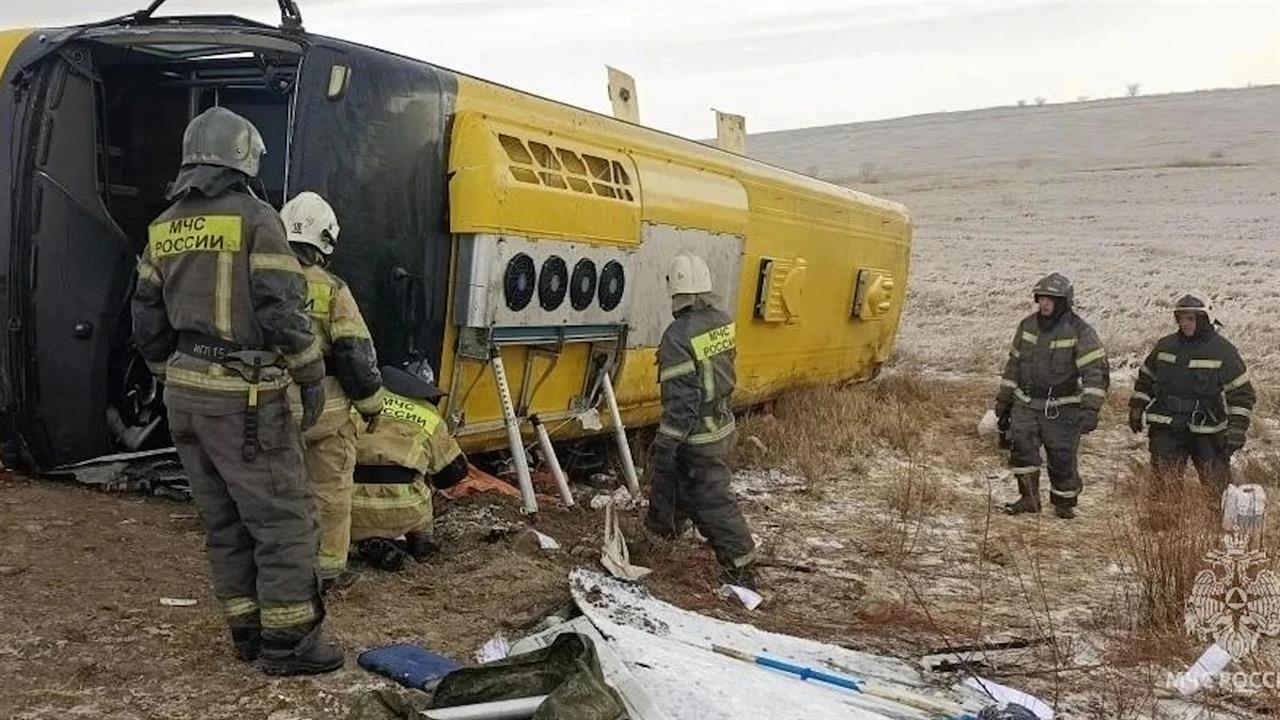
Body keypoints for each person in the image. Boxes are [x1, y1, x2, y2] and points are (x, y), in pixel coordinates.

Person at [131, 107, 341, 675]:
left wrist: (165, 372)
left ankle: (248, 635)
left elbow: (145, 315)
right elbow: (280, 304)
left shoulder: (164, 225)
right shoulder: (255, 217)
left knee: (224, 524)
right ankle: (291, 645)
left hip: (185, 394)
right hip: (244, 401)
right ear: (244, 156)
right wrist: (310, 373)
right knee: (283, 521)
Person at [279, 192, 384, 592]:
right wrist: (372, 405)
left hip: (264, 408)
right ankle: (326, 572)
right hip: (324, 414)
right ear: (326, 240)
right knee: (329, 492)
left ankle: (272, 567)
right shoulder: (331, 289)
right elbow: (356, 353)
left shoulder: (255, 284)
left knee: (270, 492)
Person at [645, 253, 756, 586]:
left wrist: (666, 441)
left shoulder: (677, 336)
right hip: (721, 424)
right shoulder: (722, 321)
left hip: (698, 435)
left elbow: (682, 400)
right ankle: (660, 541)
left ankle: (741, 565)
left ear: (676, 294)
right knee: (674, 486)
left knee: (710, 498)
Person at [993, 273, 1109, 519]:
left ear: (1064, 301)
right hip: (1025, 403)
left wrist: (1090, 409)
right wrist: (1003, 401)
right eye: (1041, 298)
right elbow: (1013, 365)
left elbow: (1095, 373)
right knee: (1022, 451)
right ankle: (1029, 499)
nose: (1044, 303)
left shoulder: (1080, 331)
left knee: (1061, 456)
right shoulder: (1027, 326)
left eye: (1051, 299)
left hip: (1062, 407)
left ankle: (1064, 502)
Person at [1128, 292, 1255, 493]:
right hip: (1166, 426)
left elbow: (1241, 394)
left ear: (1205, 319)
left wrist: (1237, 430)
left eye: (1191, 318)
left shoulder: (1223, 351)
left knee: (1216, 490)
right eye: (1181, 318)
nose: (1185, 323)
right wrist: (1137, 406)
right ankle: (1164, 523)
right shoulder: (1165, 346)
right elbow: (1146, 379)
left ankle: (1214, 525)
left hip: (1207, 430)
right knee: (1164, 489)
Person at [349, 365, 468, 571]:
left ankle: (359, 546)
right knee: (421, 492)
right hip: (406, 509)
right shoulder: (429, 416)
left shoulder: (354, 404)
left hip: (350, 507)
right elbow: (452, 473)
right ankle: (420, 542)